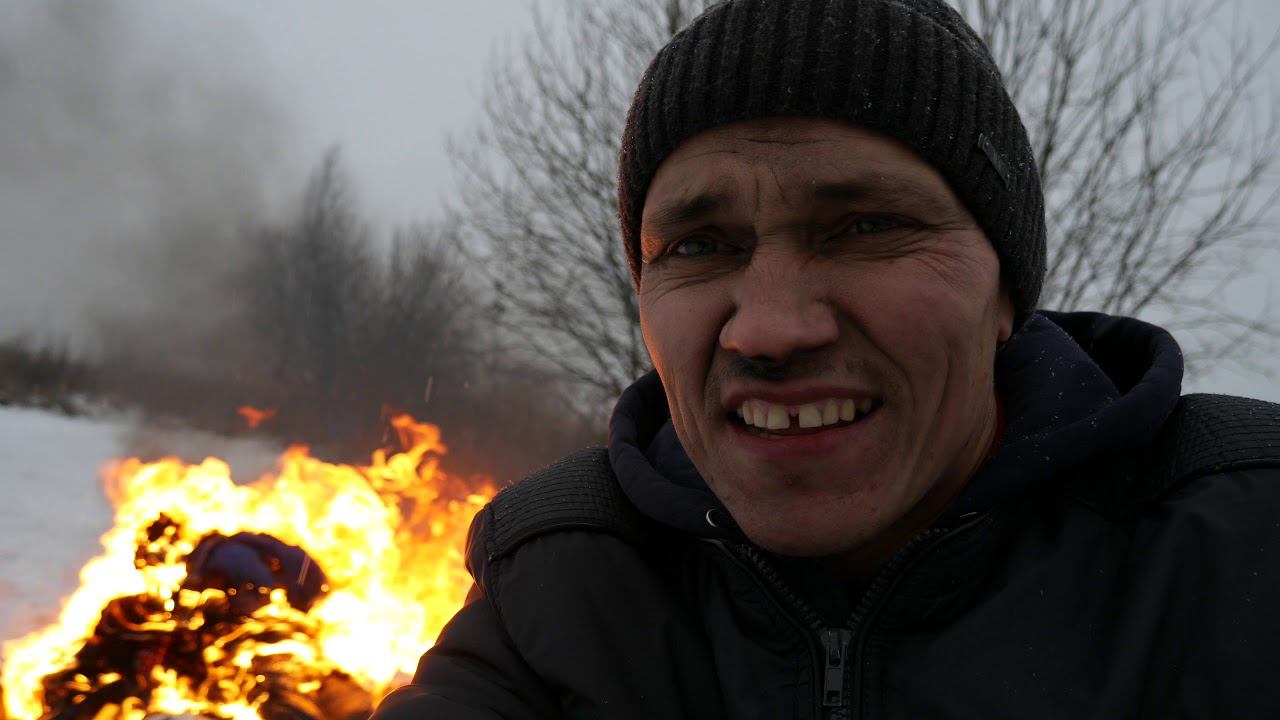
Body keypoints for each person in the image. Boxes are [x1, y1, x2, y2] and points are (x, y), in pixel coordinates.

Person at [373, 0, 1280, 717]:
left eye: (867, 227)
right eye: (699, 245)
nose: (769, 331)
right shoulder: (560, 588)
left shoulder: (1245, 546)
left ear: (1005, 292)